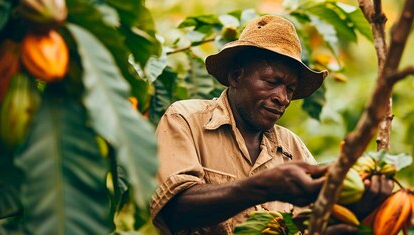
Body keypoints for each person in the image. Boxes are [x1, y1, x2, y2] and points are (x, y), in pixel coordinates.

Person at [150, 15, 393, 234]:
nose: (283, 97)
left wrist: (359, 209)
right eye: (271, 81)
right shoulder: (186, 119)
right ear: (236, 76)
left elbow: (312, 225)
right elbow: (174, 210)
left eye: (290, 89)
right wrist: (264, 186)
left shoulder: (292, 148)